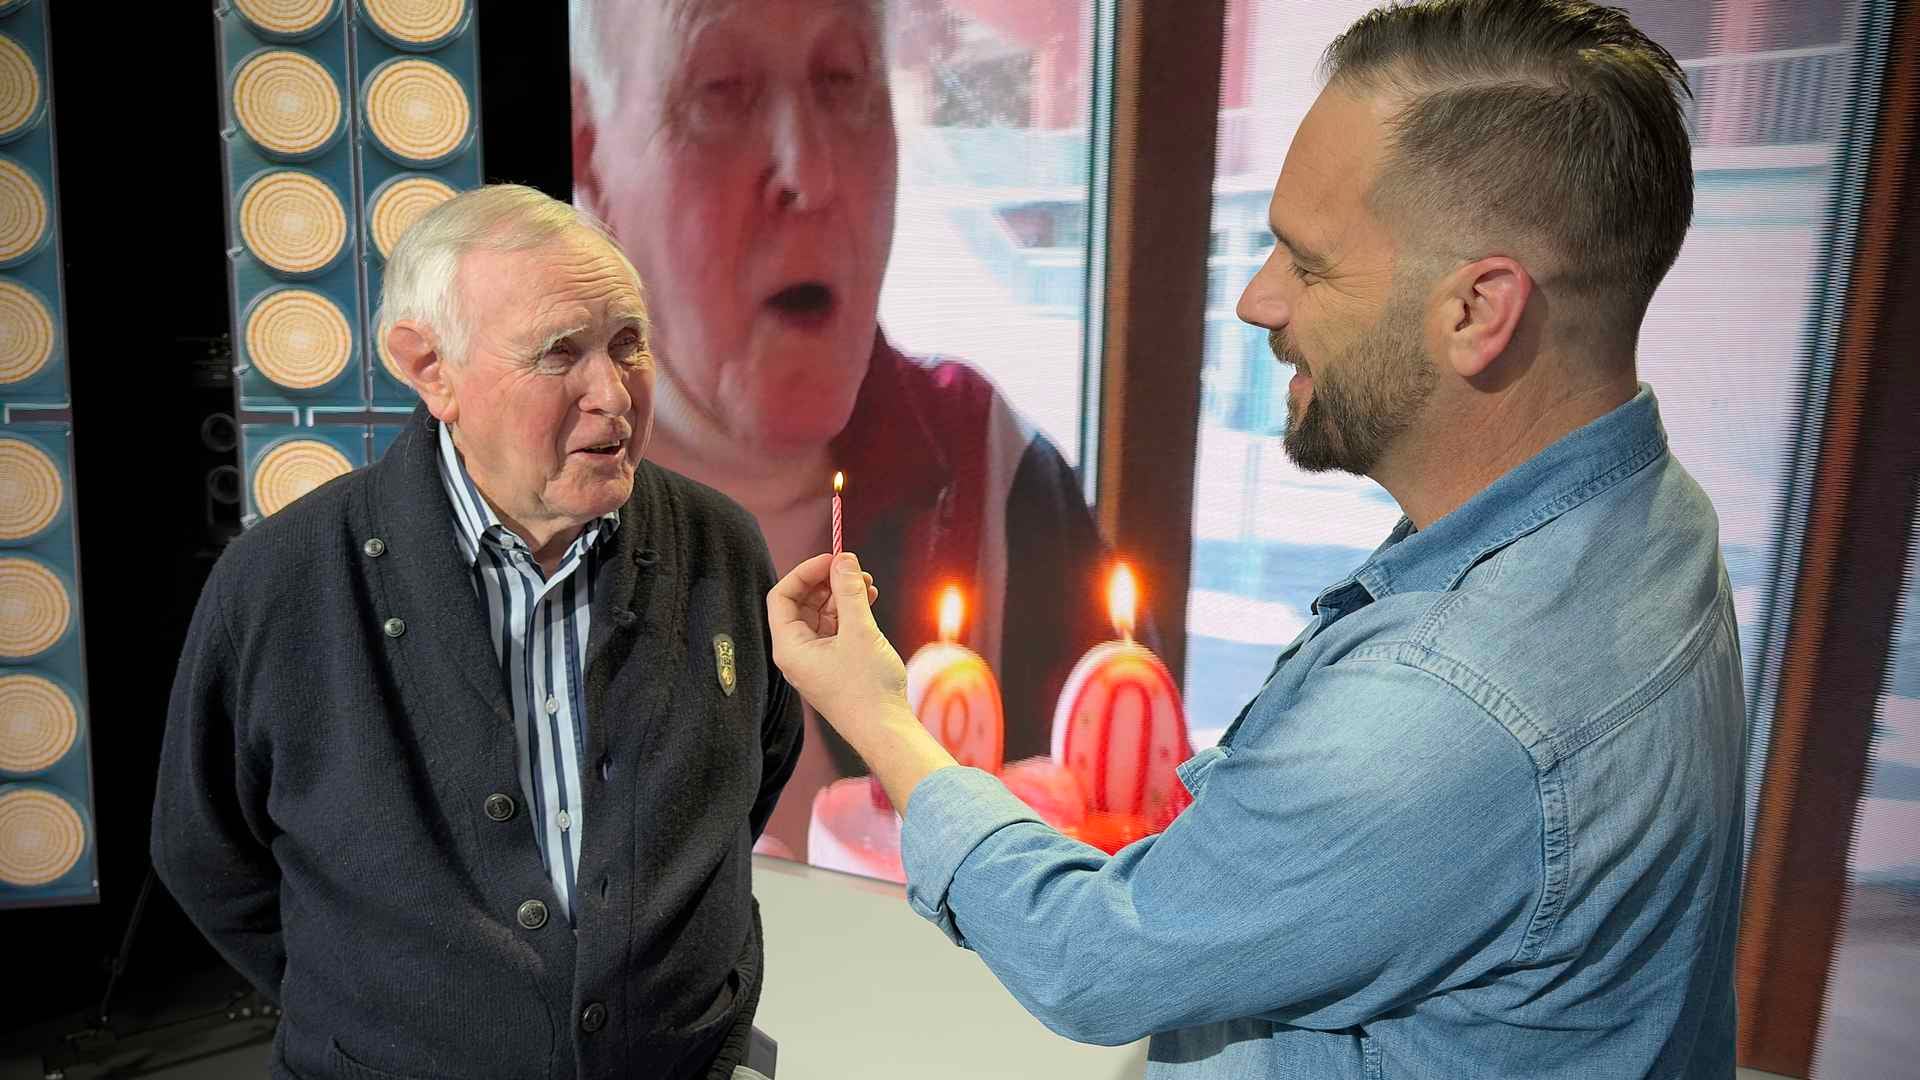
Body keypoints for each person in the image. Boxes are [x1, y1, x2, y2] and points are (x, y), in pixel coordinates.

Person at [767, 1, 1748, 1075]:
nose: (1255, 300)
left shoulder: (1441, 711)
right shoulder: (1652, 512)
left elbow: (1095, 959)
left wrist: (878, 713)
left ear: (1478, 311)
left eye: (1309, 263)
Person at [153, 186, 809, 1079]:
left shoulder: (722, 545)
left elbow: (753, 775)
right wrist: (384, 1008)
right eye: (559, 353)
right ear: (431, 370)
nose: (612, 394)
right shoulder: (280, 583)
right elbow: (208, 857)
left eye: (627, 344)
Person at [569, 0, 1115, 861]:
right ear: (589, 158)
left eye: (843, 82)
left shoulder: (993, 473)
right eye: (722, 92)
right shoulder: (502, 504)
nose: (810, 173)